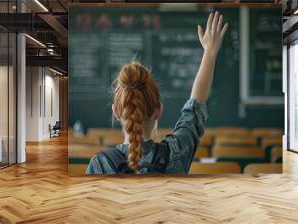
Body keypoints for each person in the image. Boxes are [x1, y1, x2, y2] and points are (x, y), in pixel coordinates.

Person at [86, 12, 228, 174]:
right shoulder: (176, 152)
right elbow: (195, 106)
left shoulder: (99, 165)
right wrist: (210, 52)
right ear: (158, 110)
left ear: (116, 112)